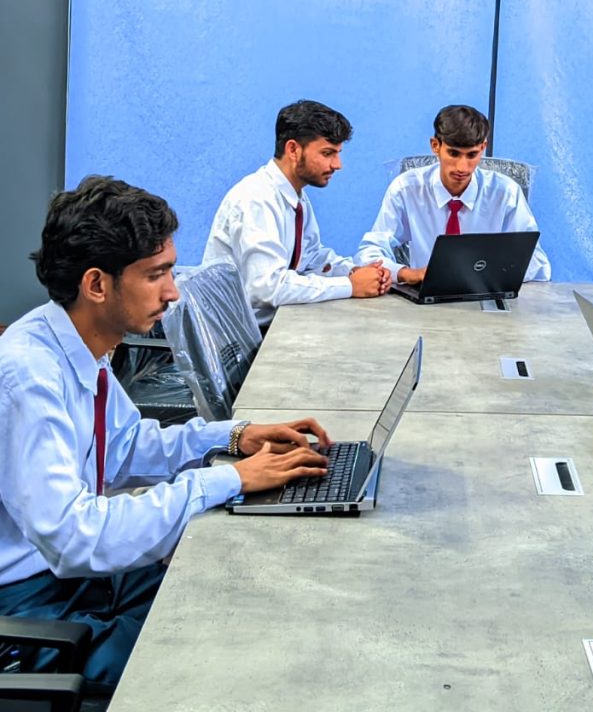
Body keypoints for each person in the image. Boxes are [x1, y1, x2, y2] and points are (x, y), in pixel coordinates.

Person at [0, 176, 331, 693]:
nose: (173, 292)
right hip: (32, 610)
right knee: (215, 658)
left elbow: (126, 447)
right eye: (156, 275)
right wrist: (229, 481)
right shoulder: (30, 376)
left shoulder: (78, 345)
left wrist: (234, 437)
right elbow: (74, 537)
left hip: (70, 580)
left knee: (239, 588)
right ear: (97, 285)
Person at [204, 99, 389, 328]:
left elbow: (311, 257)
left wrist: (354, 271)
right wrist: (350, 286)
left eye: (338, 153)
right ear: (293, 149)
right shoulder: (256, 199)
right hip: (243, 337)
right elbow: (267, 288)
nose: (337, 164)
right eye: (328, 153)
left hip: (271, 327)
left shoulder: (295, 195)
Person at [355, 104, 551, 285]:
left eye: (472, 155)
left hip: (486, 294)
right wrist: (408, 274)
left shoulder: (506, 193)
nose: (462, 167)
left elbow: (538, 264)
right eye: (454, 153)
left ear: (483, 148)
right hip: (426, 299)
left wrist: (486, 273)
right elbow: (368, 254)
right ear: (435, 146)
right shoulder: (406, 189)